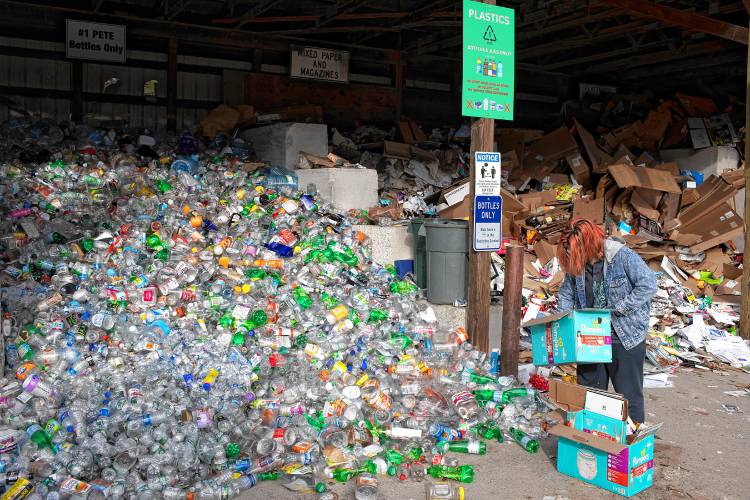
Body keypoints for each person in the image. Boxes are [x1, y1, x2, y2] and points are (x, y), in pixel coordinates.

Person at [556, 218, 657, 423]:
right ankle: (594, 438)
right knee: (590, 393)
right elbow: (567, 295)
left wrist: (620, 308)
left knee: (629, 395)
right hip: (590, 335)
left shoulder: (622, 256)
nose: (574, 259)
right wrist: (562, 323)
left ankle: (633, 443)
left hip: (624, 335)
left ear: (590, 245)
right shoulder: (578, 263)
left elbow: (648, 284)